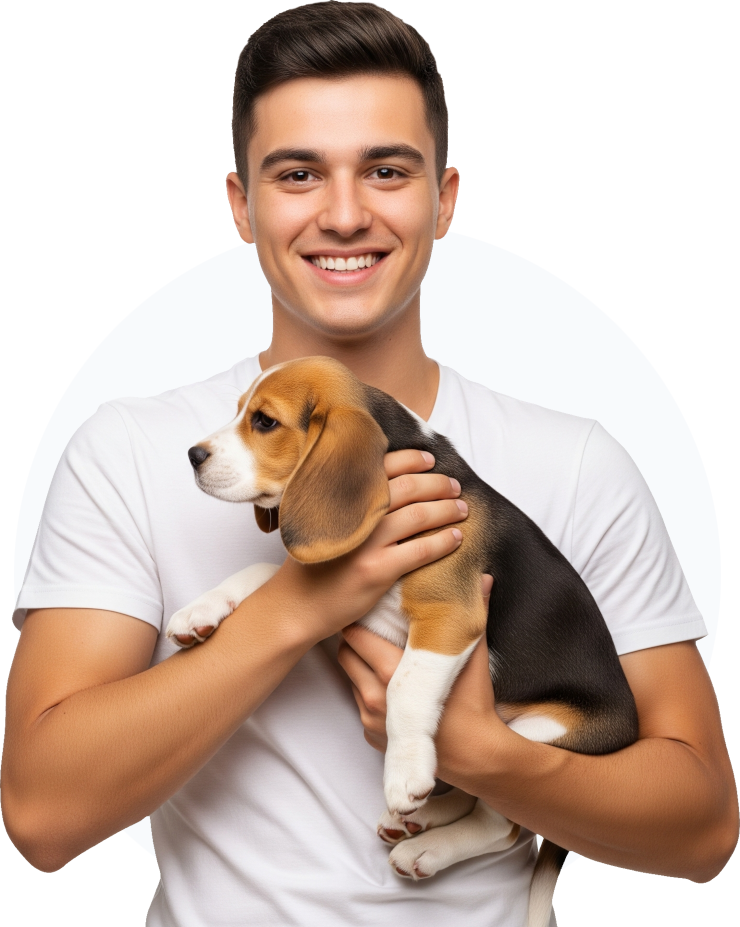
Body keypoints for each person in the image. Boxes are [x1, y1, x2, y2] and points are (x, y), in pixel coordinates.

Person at [3, 4, 736, 925]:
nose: (345, 215)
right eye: (298, 173)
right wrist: (299, 604)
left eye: (387, 171)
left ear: (445, 198)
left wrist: (488, 755)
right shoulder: (125, 450)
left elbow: (703, 831)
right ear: (241, 205)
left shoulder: (579, 462)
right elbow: (43, 816)